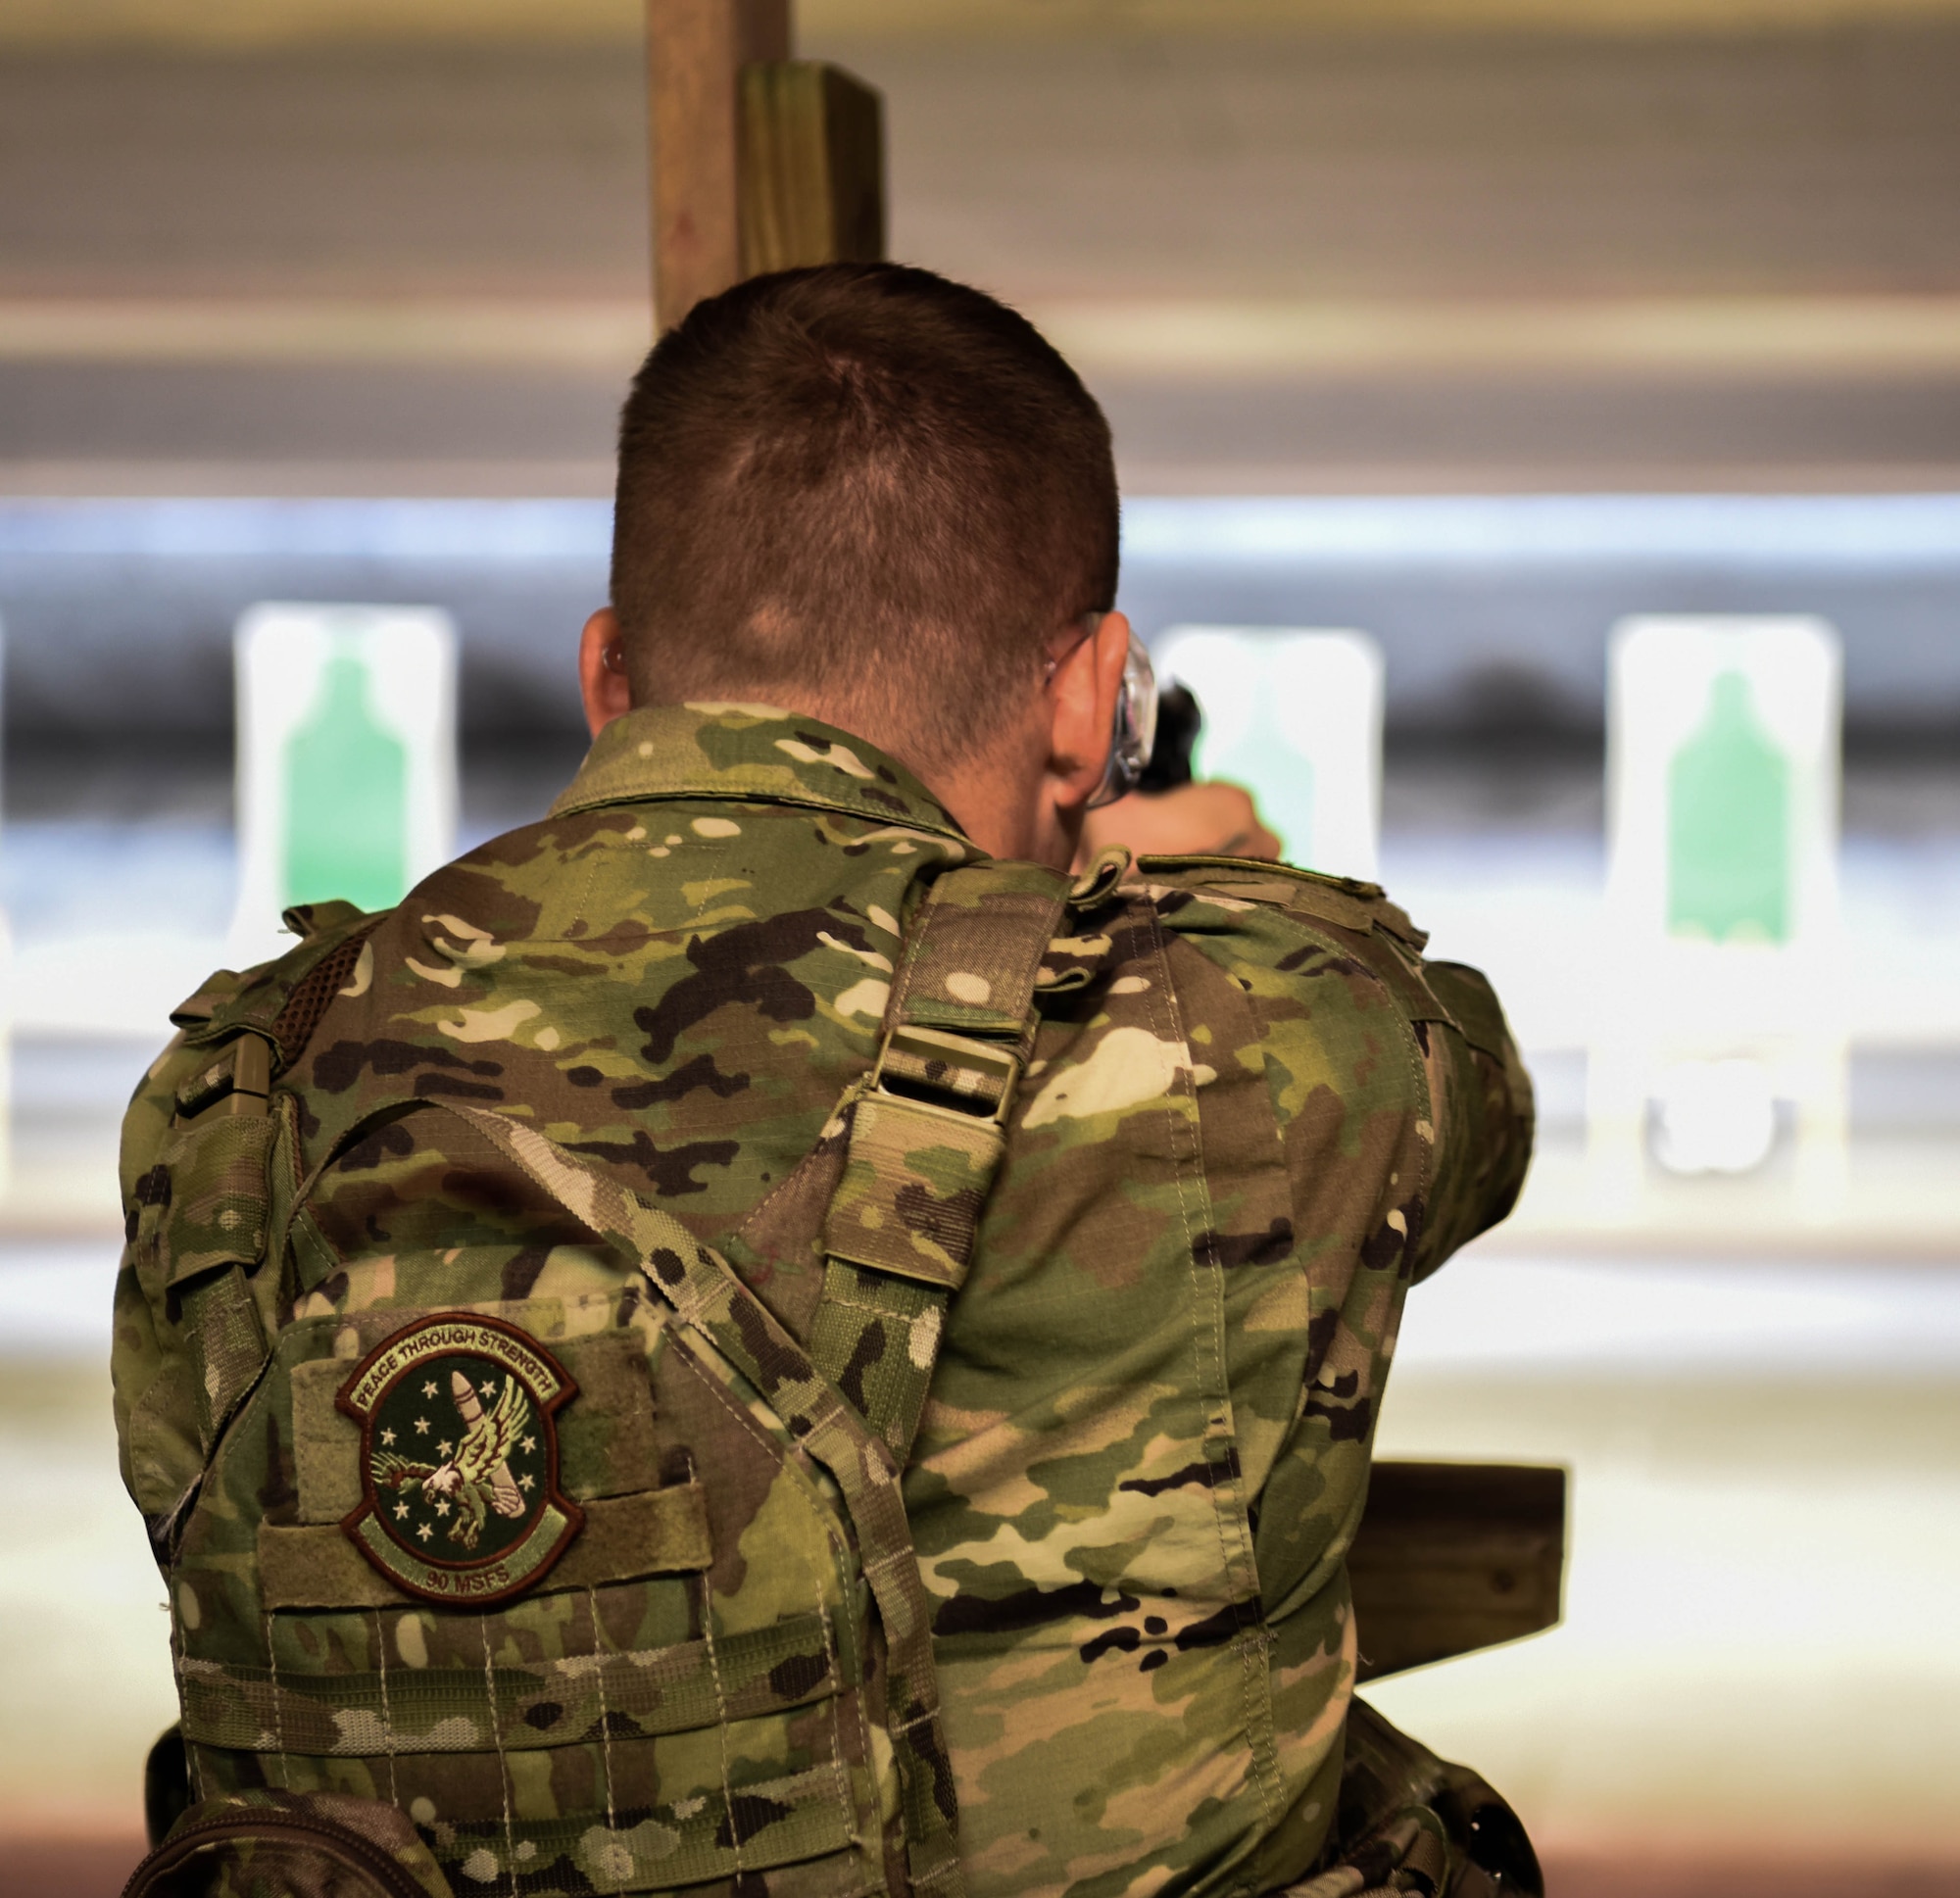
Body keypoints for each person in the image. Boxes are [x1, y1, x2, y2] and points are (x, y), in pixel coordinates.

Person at [113, 263, 1533, 1898]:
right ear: (1087, 698)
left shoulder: (236, 1087)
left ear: (607, 673)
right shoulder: (1247, 1040)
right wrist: (1147, 896)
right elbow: (1473, 1090)